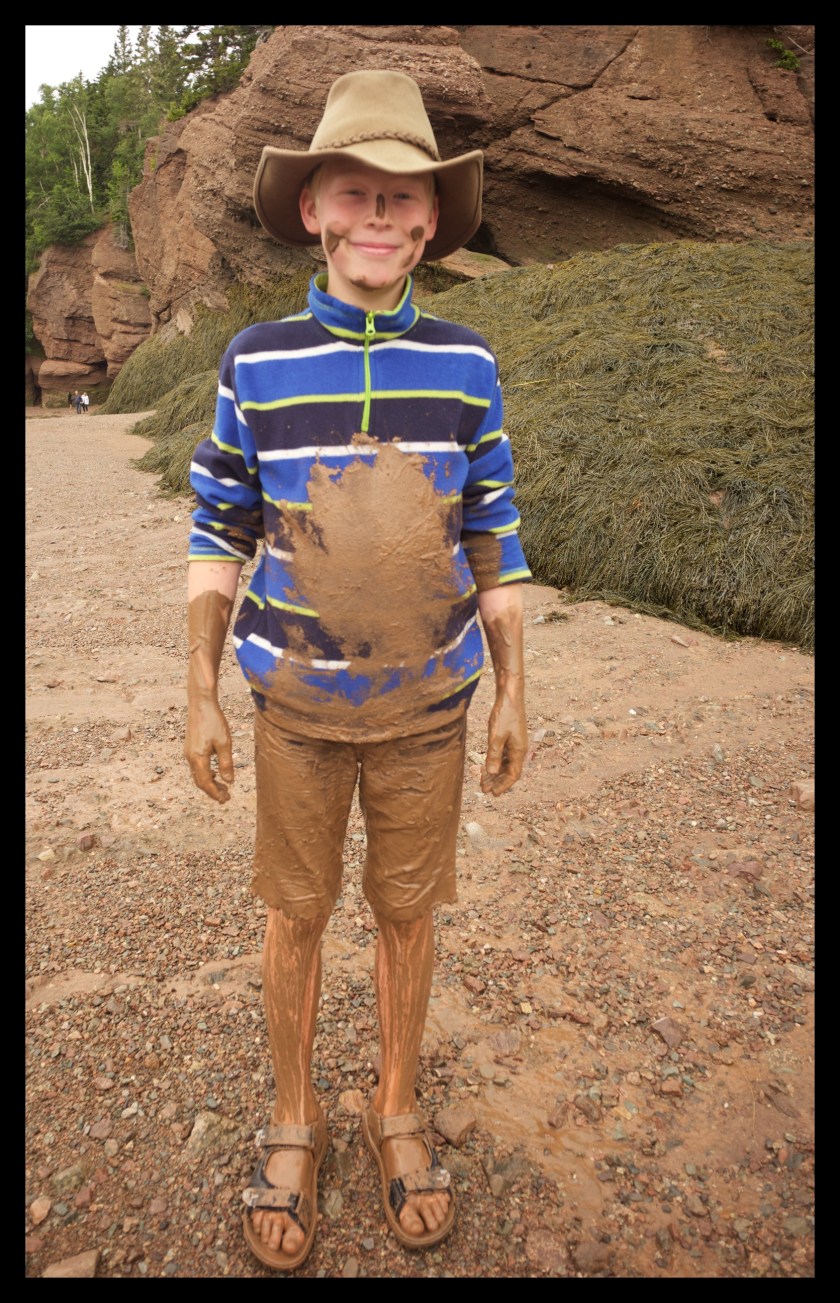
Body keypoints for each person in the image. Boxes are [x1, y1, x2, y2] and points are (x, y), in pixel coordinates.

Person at [184, 68, 531, 1272]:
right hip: (292, 706)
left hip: (430, 709)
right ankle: (294, 1116)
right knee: (294, 911)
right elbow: (218, 523)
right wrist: (198, 689)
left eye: (404, 196)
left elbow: (495, 529)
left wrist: (515, 689)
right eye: (356, 192)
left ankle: (394, 1107)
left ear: (433, 219)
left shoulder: (468, 363)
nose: (381, 215)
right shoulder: (257, 361)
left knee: (405, 913)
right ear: (315, 212)